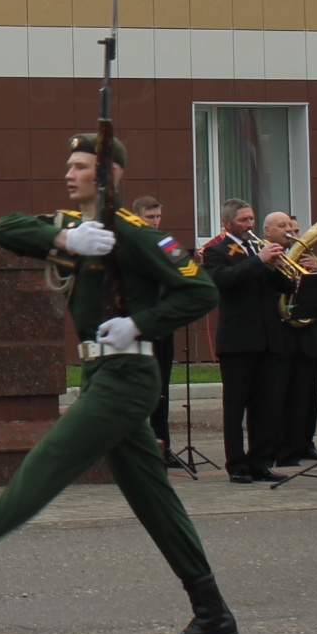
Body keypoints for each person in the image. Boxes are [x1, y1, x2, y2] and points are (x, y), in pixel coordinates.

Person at [0, 134, 237, 634]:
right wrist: (69, 241)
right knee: (153, 499)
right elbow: (7, 228)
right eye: (68, 165)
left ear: (109, 174)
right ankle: (212, 612)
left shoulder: (135, 233)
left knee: (49, 461)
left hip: (127, 374)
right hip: (98, 375)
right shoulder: (80, 228)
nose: (69, 174)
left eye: (81, 166)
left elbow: (201, 291)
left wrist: (141, 322)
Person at [200, 203, 293, 484]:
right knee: (235, 407)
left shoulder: (260, 248)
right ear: (227, 223)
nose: (249, 224)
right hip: (238, 340)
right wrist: (260, 260)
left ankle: (261, 461)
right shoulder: (216, 251)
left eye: (251, 218)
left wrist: (280, 268)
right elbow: (222, 281)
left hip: (268, 338)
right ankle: (237, 464)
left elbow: (287, 289)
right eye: (243, 220)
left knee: (266, 406)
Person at [275, 207, 317, 468]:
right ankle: (286, 446)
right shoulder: (273, 257)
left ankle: (306, 442)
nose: (293, 235)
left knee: (309, 394)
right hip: (284, 334)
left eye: (296, 231)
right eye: (288, 230)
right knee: (287, 395)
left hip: (310, 333)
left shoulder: (310, 258)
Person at [131, 194, 179, 461]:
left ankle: (164, 446)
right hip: (138, 326)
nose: (156, 221)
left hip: (164, 326)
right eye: (151, 217)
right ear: (137, 216)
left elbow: (185, 272)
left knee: (162, 390)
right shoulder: (128, 242)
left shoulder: (167, 242)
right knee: (139, 389)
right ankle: (137, 447)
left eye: (159, 216)